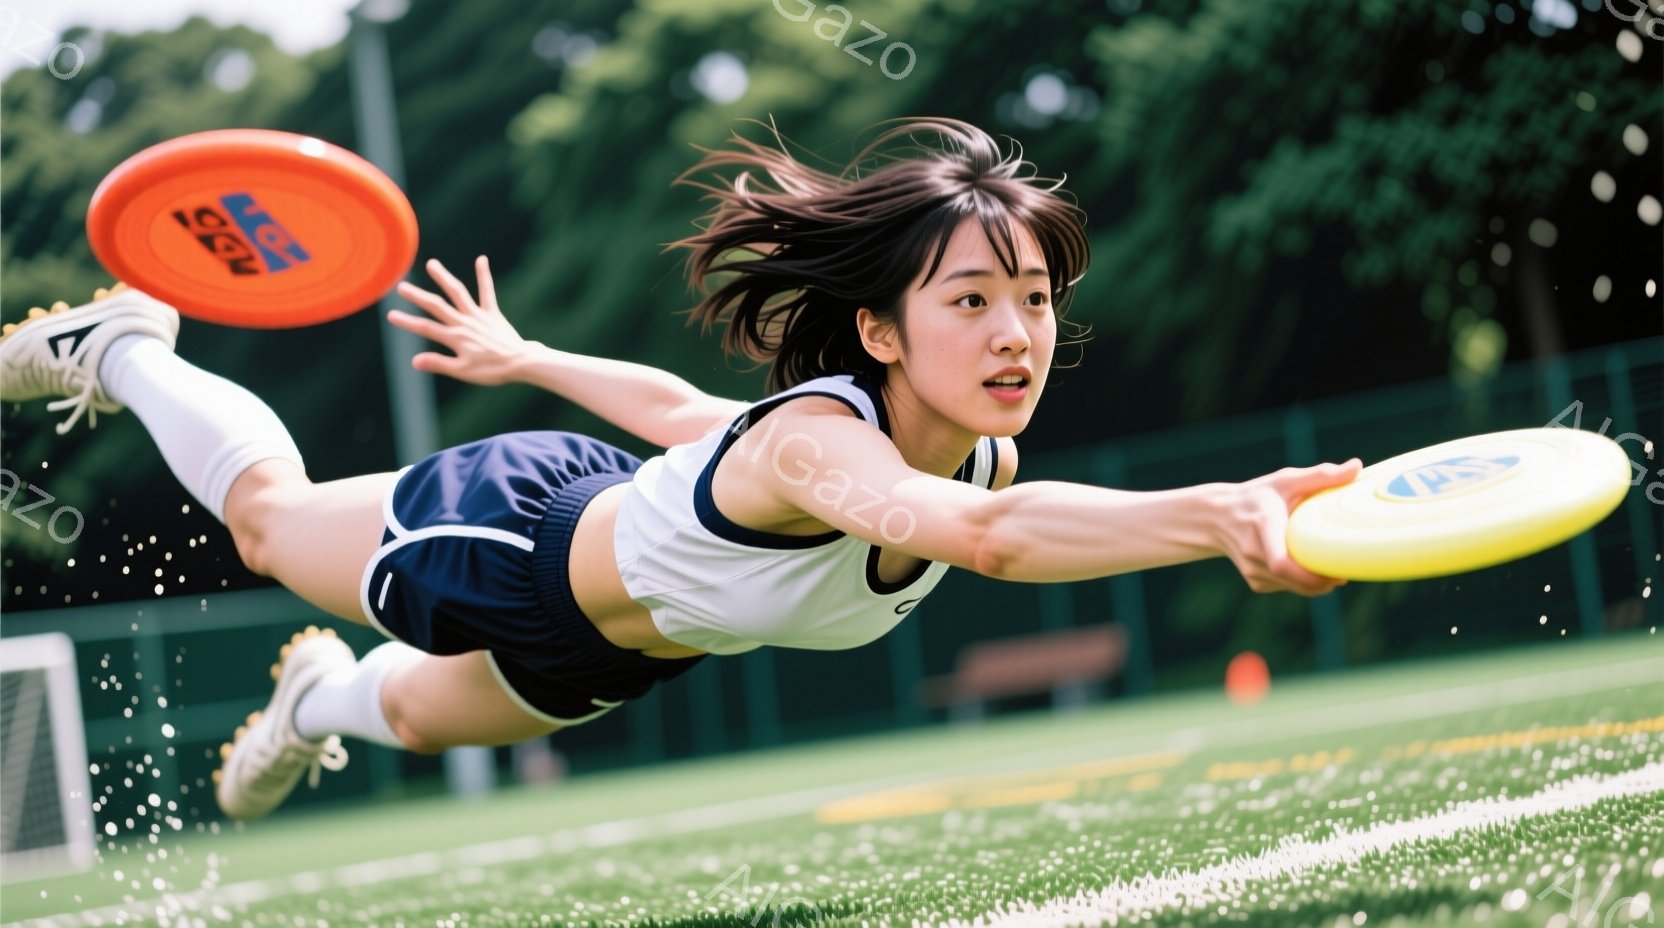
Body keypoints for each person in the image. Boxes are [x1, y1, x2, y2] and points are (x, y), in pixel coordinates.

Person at [0, 119, 1358, 821]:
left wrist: (534, 353)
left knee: (402, 722)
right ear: (880, 328)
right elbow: (991, 537)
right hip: (507, 542)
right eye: (971, 302)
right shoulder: (828, 447)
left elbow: (678, 407)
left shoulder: (980, 446)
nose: (1015, 334)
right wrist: (1222, 512)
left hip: (618, 655)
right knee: (264, 521)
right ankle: (123, 347)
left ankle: (310, 702)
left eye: (1035, 301)